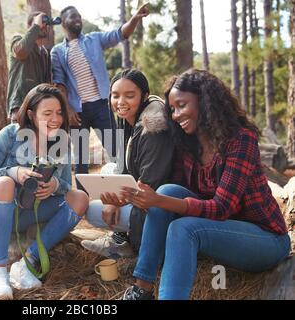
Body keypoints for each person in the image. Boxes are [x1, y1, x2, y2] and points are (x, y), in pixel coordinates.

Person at [117, 69, 291, 300]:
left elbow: (221, 208)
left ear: (205, 102)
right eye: (172, 109)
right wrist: (137, 199)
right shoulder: (188, 143)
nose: (176, 115)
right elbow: (169, 200)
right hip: (220, 230)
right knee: (167, 190)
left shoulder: (241, 139)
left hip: (265, 239)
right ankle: (141, 289)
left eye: (182, 105)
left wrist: (159, 201)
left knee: (183, 227)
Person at [0, 84, 89, 300]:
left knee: (80, 198)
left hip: (29, 213)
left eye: (60, 112)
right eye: (48, 113)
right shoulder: (10, 134)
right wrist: (12, 172)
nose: (56, 119)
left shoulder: (61, 142)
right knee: (4, 183)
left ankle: (27, 262)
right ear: (32, 115)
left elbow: (66, 186)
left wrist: (54, 185)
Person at [51, 4, 150, 188]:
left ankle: (125, 190)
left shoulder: (94, 39)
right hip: (78, 111)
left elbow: (120, 34)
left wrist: (135, 18)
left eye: (79, 16)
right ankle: (83, 198)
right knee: (81, 159)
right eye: (73, 16)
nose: (78, 19)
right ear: (63, 22)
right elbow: (59, 83)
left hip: (102, 106)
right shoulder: (58, 51)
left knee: (116, 150)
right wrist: (68, 109)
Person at [80, 69, 174, 259]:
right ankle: (119, 238)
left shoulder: (153, 128)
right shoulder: (129, 121)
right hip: (138, 189)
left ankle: (127, 243)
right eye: (115, 96)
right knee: (109, 168)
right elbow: (123, 164)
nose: (120, 102)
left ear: (145, 96)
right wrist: (115, 197)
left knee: (91, 211)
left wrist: (116, 201)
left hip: (155, 204)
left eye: (129, 96)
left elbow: (151, 185)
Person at [6, 11, 52, 123]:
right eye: (41, 22)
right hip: (20, 107)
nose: (43, 26)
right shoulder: (17, 40)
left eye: (45, 23)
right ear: (29, 26)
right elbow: (21, 52)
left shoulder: (44, 53)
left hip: (38, 109)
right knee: (21, 140)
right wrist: (36, 26)